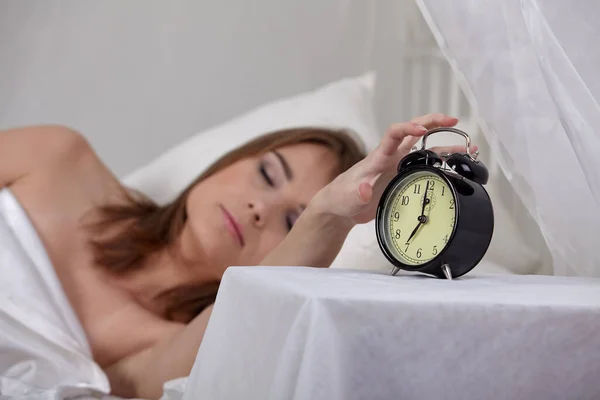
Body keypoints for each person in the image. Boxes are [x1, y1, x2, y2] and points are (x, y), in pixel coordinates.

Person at [0, 113, 473, 399]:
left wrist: (329, 215)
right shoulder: (60, 159)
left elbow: (160, 378)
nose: (258, 209)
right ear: (230, 161)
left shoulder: (164, 350)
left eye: (292, 220)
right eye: (267, 174)